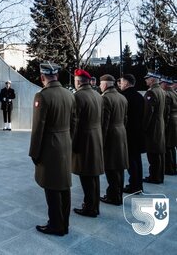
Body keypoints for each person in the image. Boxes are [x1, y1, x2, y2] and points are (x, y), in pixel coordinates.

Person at [29, 62, 76, 236]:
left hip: (50, 146)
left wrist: (34, 152)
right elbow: (74, 122)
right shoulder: (69, 94)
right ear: (56, 75)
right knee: (64, 185)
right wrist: (69, 140)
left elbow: (38, 128)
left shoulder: (42, 96)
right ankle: (64, 223)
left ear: (43, 77)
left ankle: (56, 225)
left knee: (51, 187)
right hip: (65, 143)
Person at [72, 69, 104, 218]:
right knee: (93, 174)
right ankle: (94, 205)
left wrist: (72, 144)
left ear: (78, 82)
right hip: (96, 136)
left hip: (84, 139)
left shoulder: (78, 96)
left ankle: (90, 207)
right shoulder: (97, 95)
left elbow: (75, 123)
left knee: (85, 174)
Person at [99, 74, 129, 206]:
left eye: (100, 84)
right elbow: (126, 118)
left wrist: (101, 141)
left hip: (111, 134)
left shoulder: (105, 98)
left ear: (105, 84)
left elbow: (104, 123)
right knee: (119, 167)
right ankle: (117, 194)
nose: (100, 86)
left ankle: (113, 196)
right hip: (121, 132)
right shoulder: (122, 97)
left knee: (111, 167)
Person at [120, 74, 145, 193]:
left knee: (131, 160)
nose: (120, 84)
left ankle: (134, 185)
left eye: (121, 82)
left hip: (128, 132)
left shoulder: (124, 96)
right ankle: (138, 184)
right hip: (138, 131)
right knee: (137, 160)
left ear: (127, 83)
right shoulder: (139, 96)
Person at [143, 71, 165, 184]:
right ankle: (159, 176)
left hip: (153, 126)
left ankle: (155, 177)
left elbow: (148, 113)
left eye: (147, 79)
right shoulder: (161, 90)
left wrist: (144, 127)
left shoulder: (151, 92)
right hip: (160, 123)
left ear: (152, 80)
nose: (146, 81)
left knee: (153, 153)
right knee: (159, 152)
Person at [160, 77, 177, 175]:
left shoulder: (167, 94)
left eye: (161, 83)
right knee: (172, 146)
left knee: (168, 146)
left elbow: (166, 112)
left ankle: (170, 168)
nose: (160, 85)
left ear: (165, 84)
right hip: (175, 120)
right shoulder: (174, 92)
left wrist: (164, 124)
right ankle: (173, 166)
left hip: (170, 122)